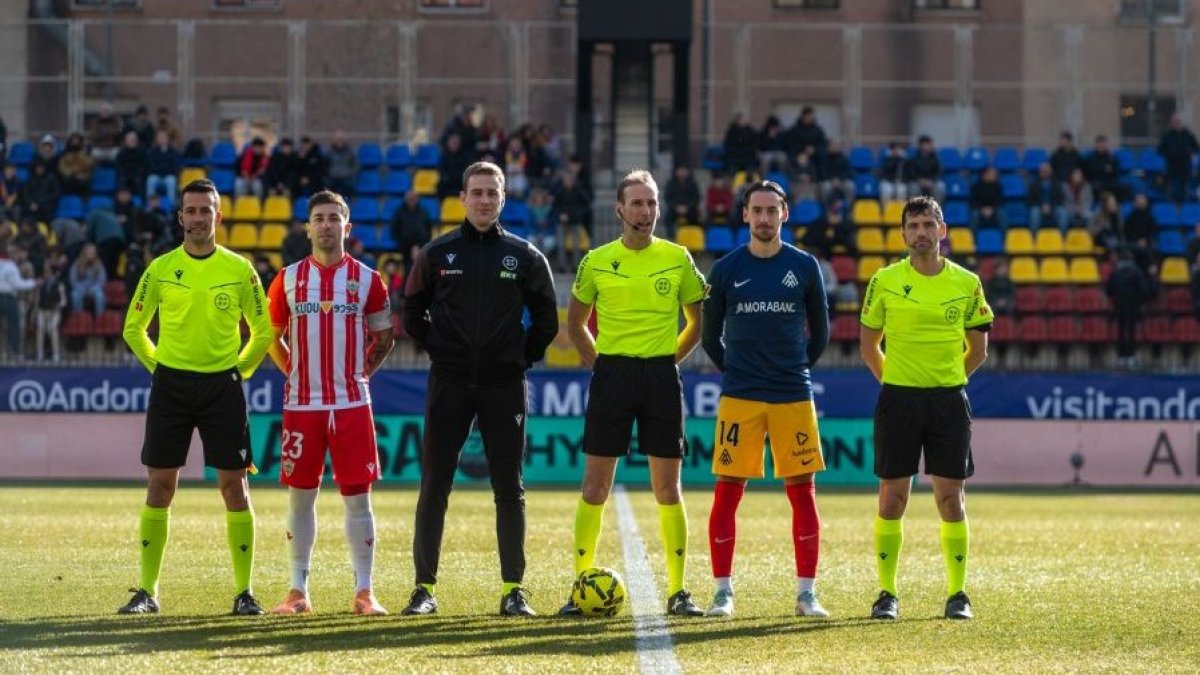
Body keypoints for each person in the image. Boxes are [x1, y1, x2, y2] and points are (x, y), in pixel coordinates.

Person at [401, 161, 558, 616]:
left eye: (493, 192)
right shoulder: (435, 254)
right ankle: (424, 589)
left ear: (504, 198)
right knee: (435, 485)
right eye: (477, 192)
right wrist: (442, 352)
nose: (485, 200)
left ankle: (514, 590)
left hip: (504, 385)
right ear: (463, 198)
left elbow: (546, 320)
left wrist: (518, 358)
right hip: (448, 382)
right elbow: (412, 313)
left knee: (510, 487)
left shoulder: (525, 255)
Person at [118, 178, 274, 615]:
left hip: (222, 388)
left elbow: (262, 331)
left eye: (207, 210)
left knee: (235, 489)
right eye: (192, 210)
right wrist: (162, 368)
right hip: (171, 388)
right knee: (160, 486)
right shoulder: (161, 268)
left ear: (218, 217)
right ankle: (148, 592)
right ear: (180, 217)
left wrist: (237, 373)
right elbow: (134, 328)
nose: (199, 218)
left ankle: (244, 593)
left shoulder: (240, 269)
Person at [560, 169, 708, 617]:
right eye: (637, 203)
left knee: (668, 488)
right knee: (594, 486)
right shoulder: (596, 260)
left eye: (652, 203)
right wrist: (601, 365)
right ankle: (579, 587)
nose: (646, 211)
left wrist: (668, 361)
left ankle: (679, 591)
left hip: (661, 376)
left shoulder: (679, 257)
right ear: (619, 209)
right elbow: (576, 324)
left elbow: (696, 323)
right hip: (612, 378)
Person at [700, 180, 831, 618]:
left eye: (771, 211)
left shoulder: (805, 266)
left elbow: (822, 334)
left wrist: (793, 369)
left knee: (803, 495)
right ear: (744, 215)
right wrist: (737, 371)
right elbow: (709, 335)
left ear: (784, 215)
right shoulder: (725, 269)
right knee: (727, 493)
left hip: (793, 394)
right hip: (740, 396)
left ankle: (807, 593)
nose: (763, 219)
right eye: (756, 211)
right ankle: (722, 591)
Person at [859, 195, 992, 622]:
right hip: (898, 399)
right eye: (912, 226)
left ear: (942, 230)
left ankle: (958, 594)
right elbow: (868, 345)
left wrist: (947, 379)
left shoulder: (967, 282)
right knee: (892, 499)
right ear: (903, 234)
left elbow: (979, 349)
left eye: (927, 225)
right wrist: (897, 380)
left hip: (948, 401)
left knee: (951, 500)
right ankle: (887, 593)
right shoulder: (884, 280)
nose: (920, 232)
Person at [265, 190, 394, 616]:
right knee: (300, 498)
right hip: (302, 407)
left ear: (347, 227)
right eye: (318, 217)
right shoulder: (286, 279)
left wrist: (357, 376)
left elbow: (384, 337)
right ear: (307, 227)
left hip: (352, 405)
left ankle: (365, 591)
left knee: (359, 498)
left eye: (333, 218)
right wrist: (294, 373)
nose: (325, 225)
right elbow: (272, 337)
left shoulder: (368, 280)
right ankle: (297, 590)